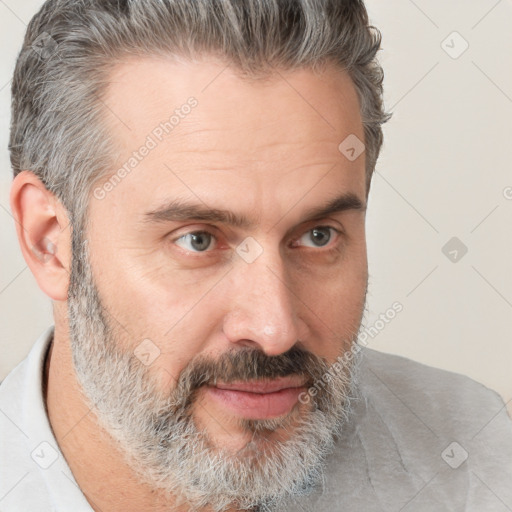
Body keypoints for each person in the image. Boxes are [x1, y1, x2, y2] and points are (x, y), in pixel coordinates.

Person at [1, 0, 511, 511]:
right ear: (50, 242)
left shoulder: (468, 457)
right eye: (198, 240)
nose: (275, 330)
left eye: (318, 236)